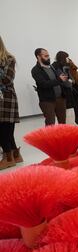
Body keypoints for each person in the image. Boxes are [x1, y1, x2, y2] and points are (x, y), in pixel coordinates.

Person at [0, 36, 22, 170]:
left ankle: (8, 158)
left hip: (6, 98)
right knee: (5, 130)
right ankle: (15, 155)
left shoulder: (9, 59)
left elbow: (7, 79)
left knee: (5, 129)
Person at [31, 48, 68, 125]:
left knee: (63, 123)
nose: (48, 58)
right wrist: (59, 79)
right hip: (47, 101)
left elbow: (58, 80)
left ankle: (62, 137)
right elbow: (44, 84)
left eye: (48, 56)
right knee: (50, 123)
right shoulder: (35, 70)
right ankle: (50, 137)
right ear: (38, 57)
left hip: (60, 98)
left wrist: (62, 78)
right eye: (46, 56)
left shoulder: (52, 67)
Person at [51, 51, 78, 124]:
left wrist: (70, 81)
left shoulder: (63, 66)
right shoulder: (57, 66)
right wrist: (70, 81)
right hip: (63, 94)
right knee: (68, 117)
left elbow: (71, 79)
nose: (68, 59)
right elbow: (66, 82)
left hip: (65, 94)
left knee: (69, 115)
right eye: (67, 57)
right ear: (62, 57)